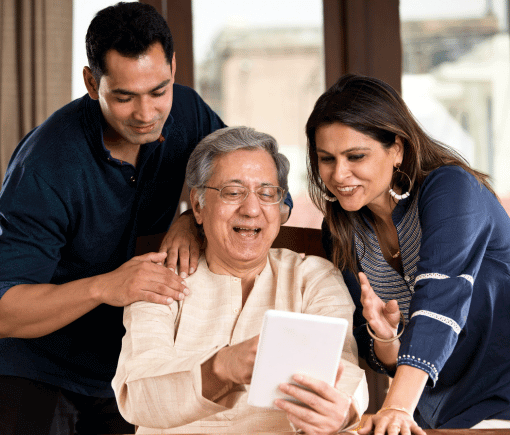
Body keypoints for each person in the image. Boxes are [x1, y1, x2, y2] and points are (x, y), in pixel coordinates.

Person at [0, 3, 292, 434]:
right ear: (91, 82)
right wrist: (107, 286)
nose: (146, 113)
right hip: (38, 372)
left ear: (173, 69)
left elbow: (275, 200)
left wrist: (189, 219)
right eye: (124, 97)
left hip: (126, 368)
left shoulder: (189, 114)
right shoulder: (46, 164)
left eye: (158, 91)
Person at [112, 126, 369, 434]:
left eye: (266, 193)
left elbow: (344, 371)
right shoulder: (159, 279)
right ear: (197, 205)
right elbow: (138, 397)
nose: (251, 209)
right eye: (233, 193)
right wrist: (221, 368)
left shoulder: (313, 277)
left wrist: (342, 413)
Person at [305, 73, 510, 432]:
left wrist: (397, 407)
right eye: (326, 159)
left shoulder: (452, 188)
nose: (339, 174)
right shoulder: (342, 231)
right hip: (435, 416)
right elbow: (379, 353)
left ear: (398, 150)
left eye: (355, 156)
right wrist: (387, 338)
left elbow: (440, 299)